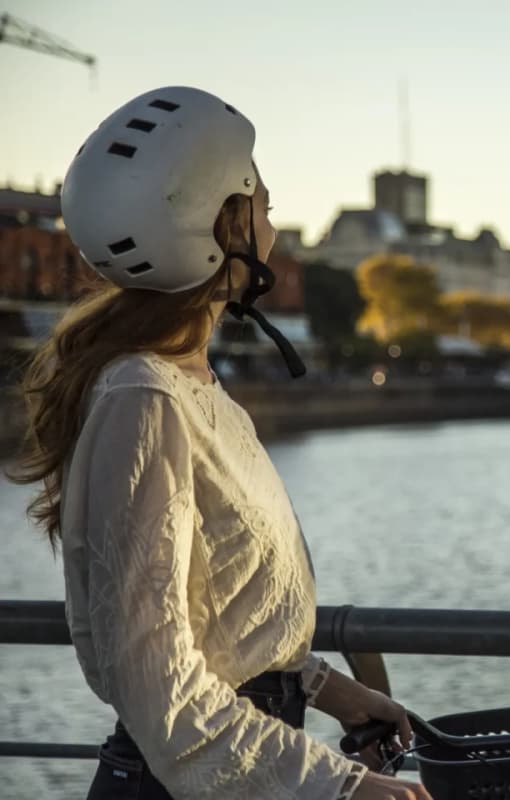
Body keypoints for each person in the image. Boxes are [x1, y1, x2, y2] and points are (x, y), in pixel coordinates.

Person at [8, 86, 431, 800]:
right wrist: (342, 788)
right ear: (222, 227)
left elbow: (220, 623)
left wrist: (328, 690)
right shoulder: (144, 399)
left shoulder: (190, 389)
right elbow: (159, 689)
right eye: (262, 201)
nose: (274, 214)